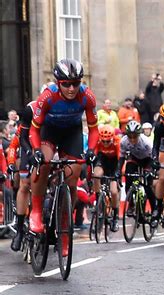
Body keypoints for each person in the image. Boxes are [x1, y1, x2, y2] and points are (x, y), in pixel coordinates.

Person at [29, 58, 98, 259]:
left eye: (75, 83)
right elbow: (34, 129)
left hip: (72, 133)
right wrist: (36, 150)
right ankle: (36, 213)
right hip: (49, 131)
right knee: (44, 163)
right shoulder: (47, 96)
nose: (71, 88)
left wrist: (92, 150)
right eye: (66, 84)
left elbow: (93, 130)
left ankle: (65, 232)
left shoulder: (87, 97)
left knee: (73, 177)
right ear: (58, 83)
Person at [116, 121, 156, 219]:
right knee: (129, 178)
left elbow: (154, 158)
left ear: (139, 135)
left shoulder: (146, 142)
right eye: (130, 136)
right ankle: (131, 204)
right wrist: (118, 171)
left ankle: (154, 208)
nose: (132, 139)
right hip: (134, 159)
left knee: (147, 185)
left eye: (135, 136)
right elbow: (121, 158)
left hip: (147, 160)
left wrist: (150, 170)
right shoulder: (124, 141)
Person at [8, 102, 34, 251]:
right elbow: (13, 146)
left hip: (45, 150)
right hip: (27, 151)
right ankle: (19, 229)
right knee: (24, 184)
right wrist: (11, 163)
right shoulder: (23, 127)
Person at [93, 125, 121, 232]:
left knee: (114, 191)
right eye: (103, 141)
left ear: (113, 138)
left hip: (115, 163)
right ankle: (98, 200)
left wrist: (118, 173)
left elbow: (120, 159)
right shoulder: (98, 142)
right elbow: (94, 156)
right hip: (103, 160)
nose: (105, 143)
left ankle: (115, 218)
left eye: (108, 141)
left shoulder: (117, 142)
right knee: (96, 174)